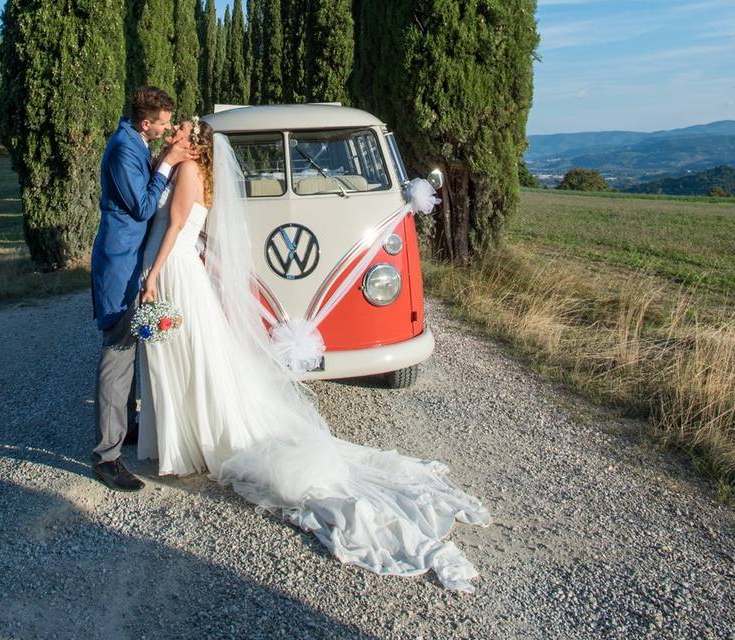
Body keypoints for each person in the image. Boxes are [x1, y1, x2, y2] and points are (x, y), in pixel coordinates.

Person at [135, 119, 492, 592]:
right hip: (180, 268)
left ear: (196, 145)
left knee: (196, 359)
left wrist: (152, 273)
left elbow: (176, 223)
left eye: (181, 129)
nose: (174, 132)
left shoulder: (189, 173)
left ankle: (184, 438)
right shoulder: (198, 172)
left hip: (173, 267)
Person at [89, 86, 196, 492]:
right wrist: (167, 161)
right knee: (117, 354)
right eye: (164, 123)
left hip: (133, 259)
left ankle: (126, 427)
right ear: (145, 121)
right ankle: (106, 457)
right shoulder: (121, 148)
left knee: (130, 346)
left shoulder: (133, 142)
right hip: (119, 263)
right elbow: (143, 207)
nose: (168, 128)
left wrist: (160, 157)